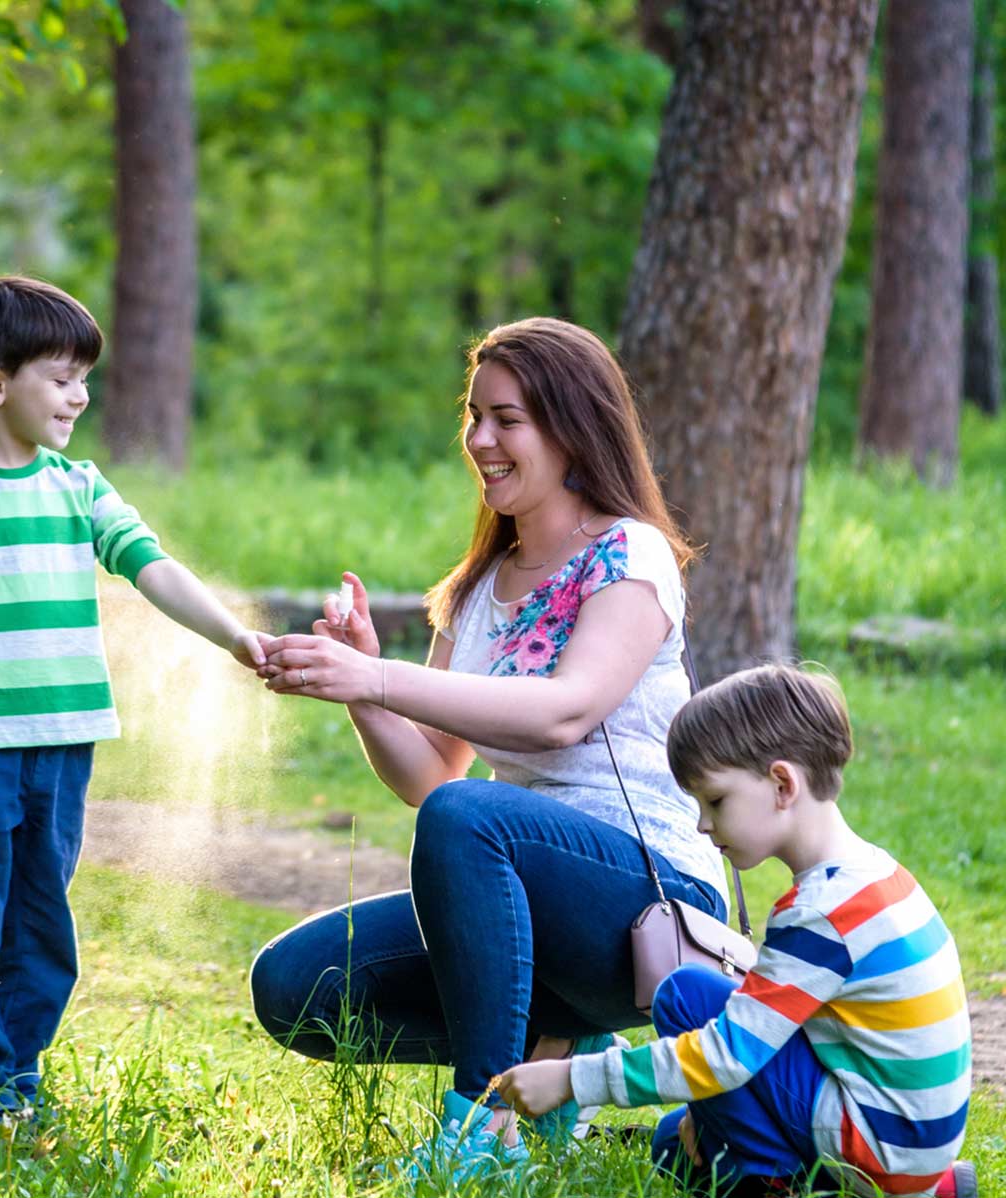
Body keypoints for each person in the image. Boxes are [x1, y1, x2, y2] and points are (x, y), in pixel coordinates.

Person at [246, 317, 729, 1179]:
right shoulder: (475, 591)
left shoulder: (629, 554)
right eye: (474, 417)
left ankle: (483, 1133)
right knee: (296, 987)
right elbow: (433, 774)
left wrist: (379, 679)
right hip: (511, 896)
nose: (480, 440)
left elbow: (563, 714)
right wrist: (361, 688)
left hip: (649, 901)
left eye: (507, 419)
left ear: (572, 426)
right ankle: (555, 1088)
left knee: (471, 818)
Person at [0, 276, 268, 1118]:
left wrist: (233, 635)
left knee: (43, 928)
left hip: (63, 744)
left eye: (84, 377)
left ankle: (14, 1078)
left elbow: (152, 566)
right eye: (61, 377)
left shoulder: (78, 487)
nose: (80, 395)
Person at [494, 665, 976, 1197]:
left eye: (716, 801)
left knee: (686, 998)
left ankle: (779, 1186)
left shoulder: (822, 913)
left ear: (782, 783)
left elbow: (729, 1054)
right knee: (671, 1148)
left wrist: (572, 1080)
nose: (703, 824)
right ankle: (931, 1187)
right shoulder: (876, 874)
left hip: (880, 1152)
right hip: (911, 1142)